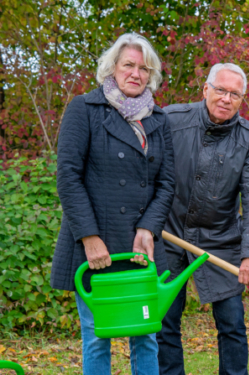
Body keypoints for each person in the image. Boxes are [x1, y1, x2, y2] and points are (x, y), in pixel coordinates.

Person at [52, 32, 175, 375]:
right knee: (95, 336)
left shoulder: (159, 120)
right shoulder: (84, 109)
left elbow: (166, 183)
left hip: (141, 247)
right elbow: (69, 177)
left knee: (146, 335)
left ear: (152, 76)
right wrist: (89, 238)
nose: (136, 73)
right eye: (129, 65)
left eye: (144, 68)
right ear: (112, 69)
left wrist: (148, 229)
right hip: (96, 244)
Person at [156, 63, 249, 375]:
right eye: (220, 90)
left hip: (219, 238)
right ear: (205, 89)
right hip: (169, 233)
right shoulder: (170, 119)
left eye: (235, 94)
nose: (226, 98)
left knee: (232, 321)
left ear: (241, 100)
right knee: (164, 320)